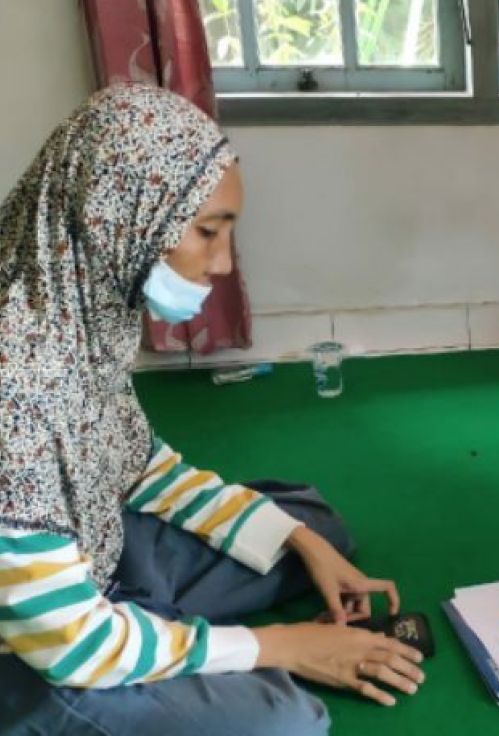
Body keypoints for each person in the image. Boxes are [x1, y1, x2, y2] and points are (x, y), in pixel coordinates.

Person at [0, 84, 425, 735]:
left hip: (94, 557)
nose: (223, 262)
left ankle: (158, 631)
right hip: (34, 652)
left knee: (314, 524)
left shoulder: (82, 308)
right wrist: (282, 646)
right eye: (207, 232)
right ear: (118, 212)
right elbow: (72, 644)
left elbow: (142, 469)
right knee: (285, 721)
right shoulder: (16, 380)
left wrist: (298, 539)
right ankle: (153, 649)